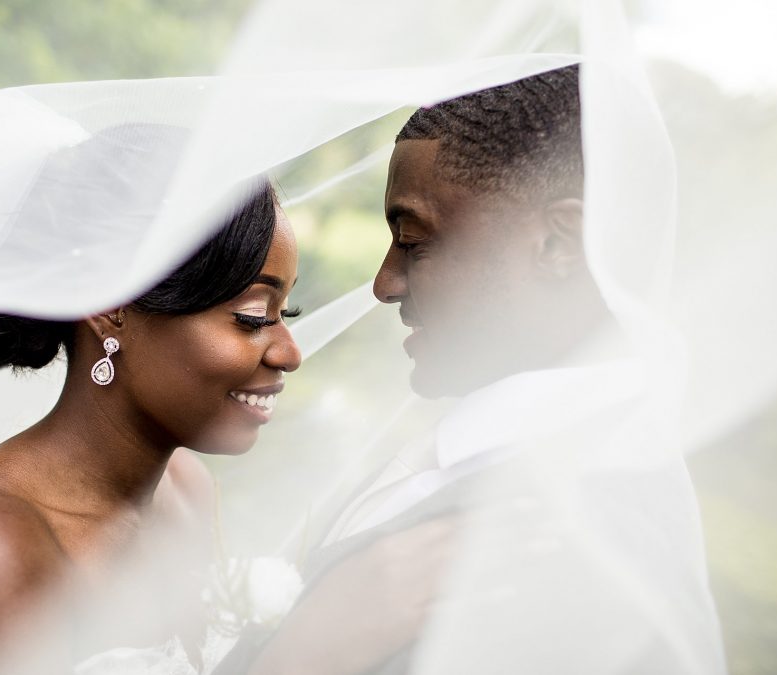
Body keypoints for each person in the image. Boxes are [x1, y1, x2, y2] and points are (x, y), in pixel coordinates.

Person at [216, 65, 727, 675]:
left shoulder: (585, 554)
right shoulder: (469, 449)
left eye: (413, 240)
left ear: (560, 244)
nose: (383, 285)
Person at [0, 127, 304, 675]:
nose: (289, 353)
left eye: (285, 315)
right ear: (109, 307)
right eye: (252, 318)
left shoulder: (185, 492)